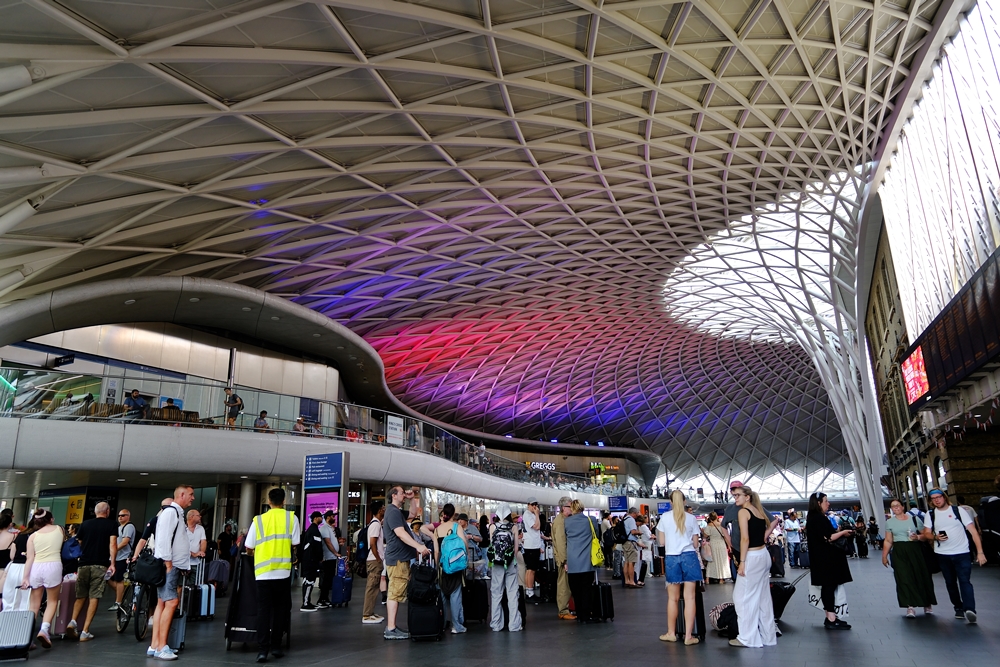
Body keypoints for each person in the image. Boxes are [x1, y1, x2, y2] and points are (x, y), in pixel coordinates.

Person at [245, 487, 300, 662]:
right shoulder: (292, 518)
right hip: (282, 572)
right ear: (284, 501)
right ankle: (276, 646)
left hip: (263, 573)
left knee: (263, 611)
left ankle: (262, 650)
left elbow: (249, 545)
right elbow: (296, 542)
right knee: (280, 611)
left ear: (268, 501)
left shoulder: (259, 520)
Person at [923, 488, 986, 623]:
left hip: (962, 552)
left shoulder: (958, 511)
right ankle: (958, 606)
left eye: (939, 497)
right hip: (943, 554)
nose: (937, 500)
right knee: (950, 583)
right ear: (931, 501)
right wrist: (935, 537)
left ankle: (970, 609)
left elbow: (974, 532)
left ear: (944, 497)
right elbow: (926, 533)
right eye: (933, 499)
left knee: (965, 581)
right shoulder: (931, 514)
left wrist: (980, 552)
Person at [729, 485, 779, 648]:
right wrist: (763, 537)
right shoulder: (758, 511)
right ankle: (768, 637)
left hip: (752, 557)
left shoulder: (743, 512)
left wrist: (742, 562)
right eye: (734, 495)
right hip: (763, 555)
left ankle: (747, 638)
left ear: (747, 496)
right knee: (763, 598)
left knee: (742, 598)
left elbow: (745, 539)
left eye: (737, 495)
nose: (735, 498)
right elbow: (772, 523)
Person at [149, 487, 194, 660]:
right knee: (171, 601)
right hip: (170, 565)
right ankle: (162, 646)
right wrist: (168, 563)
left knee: (162, 602)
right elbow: (163, 539)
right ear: (181, 495)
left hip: (172, 565)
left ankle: (155, 645)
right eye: (190, 495)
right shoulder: (171, 513)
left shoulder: (175, 513)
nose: (193, 498)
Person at [383, 485, 431, 640]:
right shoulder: (392, 512)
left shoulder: (396, 512)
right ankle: (391, 628)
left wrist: (412, 499)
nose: (404, 495)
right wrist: (418, 546)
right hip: (397, 559)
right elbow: (401, 533)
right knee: (395, 593)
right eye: (402, 493)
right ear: (394, 496)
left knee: (396, 592)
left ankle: (392, 627)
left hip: (400, 559)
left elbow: (413, 514)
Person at [65, 502, 118, 642]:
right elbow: (112, 544)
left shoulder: (85, 524)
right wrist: (112, 563)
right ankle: (85, 631)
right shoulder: (111, 525)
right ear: (107, 511)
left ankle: (73, 622)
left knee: (80, 596)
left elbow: (80, 542)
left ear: (95, 512)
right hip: (100, 565)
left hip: (83, 564)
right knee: (94, 597)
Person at [656, 490, 701, 645]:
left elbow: (661, 542)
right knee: (690, 598)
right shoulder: (692, 518)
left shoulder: (664, 517)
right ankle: (688, 636)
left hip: (672, 558)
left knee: (673, 598)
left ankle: (671, 633)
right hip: (689, 556)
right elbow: (695, 544)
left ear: (671, 502)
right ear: (684, 501)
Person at [806, 492, 853, 630]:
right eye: (826, 501)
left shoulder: (814, 518)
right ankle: (831, 618)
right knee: (829, 586)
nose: (828, 503)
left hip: (822, 558)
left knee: (828, 586)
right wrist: (843, 533)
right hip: (825, 559)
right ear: (819, 503)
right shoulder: (818, 518)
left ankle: (830, 616)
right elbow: (828, 537)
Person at [882, 498, 936, 617]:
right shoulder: (890, 522)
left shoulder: (914, 519)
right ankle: (909, 606)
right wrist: (884, 556)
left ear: (903, 507)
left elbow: (925, 535)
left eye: (897, 505)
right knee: (903, 577)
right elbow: (888, 540)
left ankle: (927, 603)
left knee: (921, 575)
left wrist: (918, 537)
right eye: (893, 506)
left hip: (915, 550)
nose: (895, 508)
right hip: (899, 551)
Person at [21, 509, 64, 648]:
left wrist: (25, 578)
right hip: (54, 565)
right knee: (52, 601)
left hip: (36, 568)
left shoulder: (32, 536)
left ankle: (27, 637)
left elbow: (30, 558)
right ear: (51, 519)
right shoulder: (60, 529)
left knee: (34, 604)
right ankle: (44, 630)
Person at [431, 503, 467, 634]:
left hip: (442, 566)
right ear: (453, 514)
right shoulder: (457, 527)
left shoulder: (437, 530)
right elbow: (464, 544)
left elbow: (436, 551)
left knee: (442, 595)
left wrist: (438, 565)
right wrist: (465, 560)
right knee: (455, 594)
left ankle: (443, 623)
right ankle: (456, 625)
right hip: (455, 565)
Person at [563, 500, 598, 624]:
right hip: (587, 561)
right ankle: (586, 615)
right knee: (587, 589)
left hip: (572, 562)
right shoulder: (591, 520)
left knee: (576, 590)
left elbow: (564, 540)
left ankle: (579, 614)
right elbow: (597, 536)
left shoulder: (566, 522)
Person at [489, 503, 522, 632]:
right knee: (512, 593)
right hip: (510, 563)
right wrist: (509, 558)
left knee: (496, 594)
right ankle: (514, 625)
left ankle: (496, 624)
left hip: (496, 564)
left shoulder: (492, 527)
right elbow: (516, 548)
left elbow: (492, 545)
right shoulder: (514, 527)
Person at [361, 501, 385, 624]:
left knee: (374, 587)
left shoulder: (375, 523)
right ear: (380, 510)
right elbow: (372, 543)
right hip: (374, 560)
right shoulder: (375, 525)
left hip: (373, 559)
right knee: (371, 587)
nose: (384, 509)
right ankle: (367, 614)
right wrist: (378, 558)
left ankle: (370, 612)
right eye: (383, 508)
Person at [551, 496, 575, 620]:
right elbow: (560, 543)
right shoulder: (560, 522)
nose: (572, 509)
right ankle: (563, 610)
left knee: (566, 583)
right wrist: (565, 560)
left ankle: (565, 609)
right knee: (564, 585)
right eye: (570, 507)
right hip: (563, 558)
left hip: (564, 557)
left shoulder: (563, 520)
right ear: (563, 508)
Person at [109, 508, 135, 611]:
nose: (120, 517)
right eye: (119, 515)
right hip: (115, 557)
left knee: (119, 580)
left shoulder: (129, 526)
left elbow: (125, 542)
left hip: (123, 557)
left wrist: (114, 550)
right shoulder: (119, 527)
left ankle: (118, 601)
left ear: (128, 516)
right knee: (108, 578)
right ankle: (122, 595)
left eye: (123, 515)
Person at [299, 512, 324, 612]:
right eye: (320, 517)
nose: (321, 519)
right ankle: (305, 603)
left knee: (309, 580)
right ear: (315, 518)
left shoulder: (311, 530)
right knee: (309, 580)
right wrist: (320, 557)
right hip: (311, 560)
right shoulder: (314, 531)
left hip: (309, 559)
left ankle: (307, 601)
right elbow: (316, 547)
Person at [316, 510, 339, 608]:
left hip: (332, 557)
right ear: (328, 517)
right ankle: (321, 599)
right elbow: (328, 542)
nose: (334, 518)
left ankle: (325, 598)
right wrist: (335, 552)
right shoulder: (325, 528)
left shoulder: (330, 528)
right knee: (327, 578)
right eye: (333, 516)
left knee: (329, 578)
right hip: (328, 557)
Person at [522, 497, 542, 601]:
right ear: (528, 505)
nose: (534, 506)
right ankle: (529, 592)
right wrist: (537, 515)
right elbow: (536, 527)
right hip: (530, 546)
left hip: (534, 545)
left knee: (532, 569)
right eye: (532, 504)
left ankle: (530, 591)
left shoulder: (531, 514)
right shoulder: (527, 514)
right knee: (530, 570)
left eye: (536, 504)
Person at [702, 512, 730, 583]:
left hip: (713, 544)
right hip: (721, 544)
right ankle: (721, 579)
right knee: (722, 561)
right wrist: (729, 545)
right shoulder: (721, 525)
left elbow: (705, 535)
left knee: (712, 561)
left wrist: (703, 531)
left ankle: (707, 579)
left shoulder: (709, 525)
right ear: (717, 517)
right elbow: (725, 536)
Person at [622, 507, 641, 587]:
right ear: (634, 513)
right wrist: (639, 533)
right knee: (631, 563)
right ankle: (632, 581)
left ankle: (626, 581)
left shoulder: (624, 519)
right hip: (630, 543)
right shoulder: (631, 520)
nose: (637, 515)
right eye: (637, 513)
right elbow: (633, 532)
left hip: (625, 542)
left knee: (626, 562)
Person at [186, 509, 206, 575]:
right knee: (180, 584)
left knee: (195, 583)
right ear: (191, 517)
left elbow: (203, 541)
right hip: (183, 562)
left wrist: (201, 552)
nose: (200, 517)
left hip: (196, 562)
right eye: (198, 515)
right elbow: (180, 545)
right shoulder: (183, 528)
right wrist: (193, 554)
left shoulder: (201, 528)